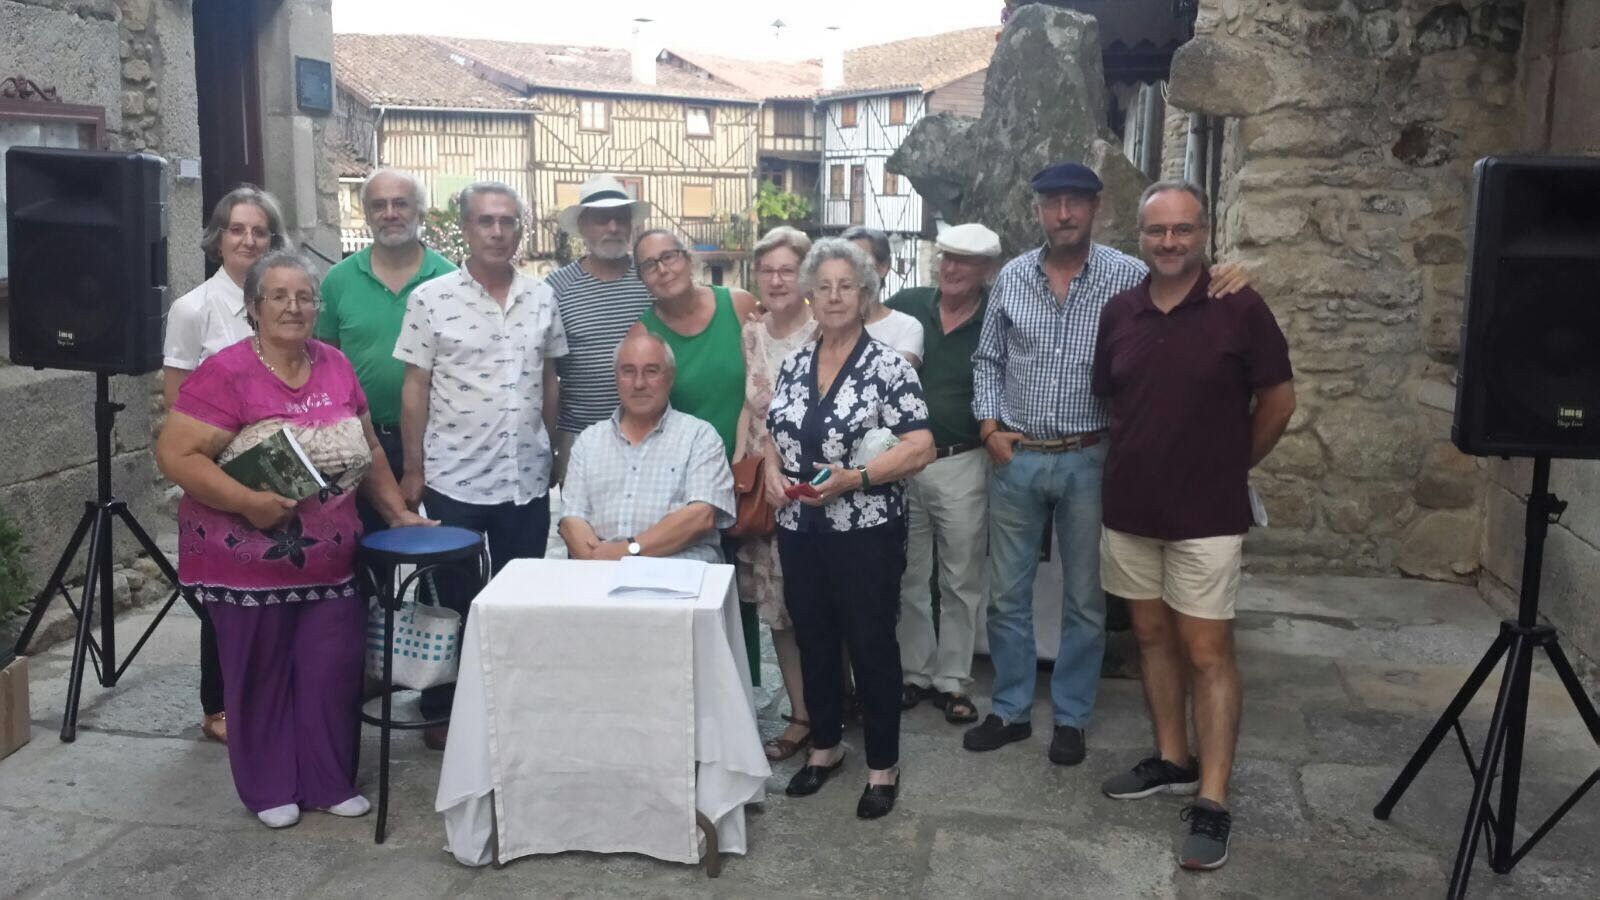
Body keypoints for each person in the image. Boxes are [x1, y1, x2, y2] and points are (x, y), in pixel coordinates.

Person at [967, 161, 1250, 766]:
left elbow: (1191, 285)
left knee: (1086, 600)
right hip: (1017, 457)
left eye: (1074, 202)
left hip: (1094, 457)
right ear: (1037, 211)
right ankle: (1011, 709)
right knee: (1006, 594)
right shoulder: (1013, 277)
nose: (1063, 213)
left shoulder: (1129, 275)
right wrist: (989, 426)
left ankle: (1071, 717)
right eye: (1051, 203)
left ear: (1096, 208)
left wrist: (1232, 273)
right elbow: (987, 359)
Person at [155, 250, 432, 829]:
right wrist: (250, 503)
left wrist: (398, 512)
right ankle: (269, 786)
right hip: (244, 562)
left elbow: (370, 449)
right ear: (254, 307)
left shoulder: (333, 363)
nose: (293, 306)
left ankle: (328, 781)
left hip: (330, 561)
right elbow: (175, 454)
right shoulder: (226, 372)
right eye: (278, 296)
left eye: (304, 296)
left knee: (332, 670)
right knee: (261, 674)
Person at [1093, 182, 1294, 871]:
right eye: (1157, 232)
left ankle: (1212, 799)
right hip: (1130, 511)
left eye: (1182, 230)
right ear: (1140, 238)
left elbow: (1278, 398)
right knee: (1151, 639)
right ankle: (1172, 759)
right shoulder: (1119, 311)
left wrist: (1233, 460)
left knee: (1207, 652)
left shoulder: (1240, 305)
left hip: (1208, 515)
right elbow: (1115, 398)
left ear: (1203, 232)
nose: (1169, 242)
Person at [763, 238, 935, 820]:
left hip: (865, 530)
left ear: (866, 294)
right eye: (825, 286)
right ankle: (826, 746)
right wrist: (767, 470)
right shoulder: (793, 362)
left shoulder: (888, 366)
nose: (835, 296)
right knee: (813, 637)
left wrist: (855, 477)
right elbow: (772, 434)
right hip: (799, 525)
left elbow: (920, 447)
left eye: (848, 286)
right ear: (810, 294)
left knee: (870, 644)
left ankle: (882, 765)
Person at [394, 181, 567, 748]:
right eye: (486, 221)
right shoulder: (431, 298)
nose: (498, 232)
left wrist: (552, 445)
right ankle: (444, 706)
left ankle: (513, 701)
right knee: (451, 597)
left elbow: (548, 379)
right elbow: (415, 385)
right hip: (454, 477)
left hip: (525, 477)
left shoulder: (541, 297)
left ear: (520, 230)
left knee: (520, 595)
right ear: (465, 229)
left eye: (508, 222)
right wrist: (413, 468)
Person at [162, 185, 288, 745]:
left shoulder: (284, 301)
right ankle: (218, 705)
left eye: (259, 231)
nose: (248, 240)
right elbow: (177, 402)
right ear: (219, 238)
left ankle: (272, 694)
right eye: (238, 230)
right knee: (220, 594)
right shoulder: (193, 310)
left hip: (279, 472)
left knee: (272, 587)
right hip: (220, 472)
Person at [630, 228, 764, 679]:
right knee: (699, 582)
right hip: (688, 480)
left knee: (747, 586)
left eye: (669, 257)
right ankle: (697, 685)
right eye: (649, 264)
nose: (663, 269)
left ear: (689, 260)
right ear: (642, 278)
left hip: (750, 471)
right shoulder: (643, 333)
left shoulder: (739, 305)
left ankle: (742, 690)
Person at [884, 223, 1002, 725]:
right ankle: (914, 673)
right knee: (910, 573)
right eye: (947, 257)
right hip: (903, 459)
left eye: (965, 262)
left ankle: (953, 680)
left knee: (960, 577)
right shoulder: (909, 303)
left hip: (962, 459)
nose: (951, 269)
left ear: (986, 271)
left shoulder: (998, 314)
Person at [316, 168, 456, 536]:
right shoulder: (338, 282)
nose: (390, 213)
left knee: (442, 555)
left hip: (438, 442)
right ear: (366, 214)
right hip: (361, 443)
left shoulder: (450, 281)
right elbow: (322, 364)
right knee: (367, 555)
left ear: (420, 212)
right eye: (379, 205)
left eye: (400, 204)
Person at [734, 226, 816, 761]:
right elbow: (750, 404)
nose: (778, 279)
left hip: (813, 488)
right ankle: (803, 715)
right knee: (781, 614)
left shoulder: (826, 331)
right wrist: (743, 463)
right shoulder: (752, 335)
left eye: (788, 269)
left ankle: (839, 701)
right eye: (768, 270)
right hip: (766, 491)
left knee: (822, 606)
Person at [559, 332, 735, 562]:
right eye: (628, 371)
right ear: (616, 377)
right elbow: (571, 520)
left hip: (679, 575)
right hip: (600, 575)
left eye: (651, 371)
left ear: (670, 377)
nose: (639, 383)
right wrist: (599, 565)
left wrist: (627, 551)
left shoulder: (700, 437)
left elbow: (700, 517)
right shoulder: (588, 441)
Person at [547, 174, 656, 484]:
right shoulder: (556, 288)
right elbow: (546, 372)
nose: (612, 227)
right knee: (582, 527)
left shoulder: (651, 279)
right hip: (579, 435)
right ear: (582, 226)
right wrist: (551, 442)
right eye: (601, 219)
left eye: (620, 218)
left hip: (652, 434)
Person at [842, 225, 924, 365]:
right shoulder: (824, 324)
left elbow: (895, 376)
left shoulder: (906, 327)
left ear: (883, 267)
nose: (850, 270)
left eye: (860, 260)